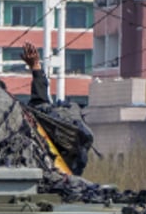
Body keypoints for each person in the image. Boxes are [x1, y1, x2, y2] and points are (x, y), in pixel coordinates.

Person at [19, 42, 95, 176]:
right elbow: (40, 103)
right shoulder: (75, 140)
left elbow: (39, 104)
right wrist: (36, 67)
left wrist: (35, 68)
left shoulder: (41, 131)